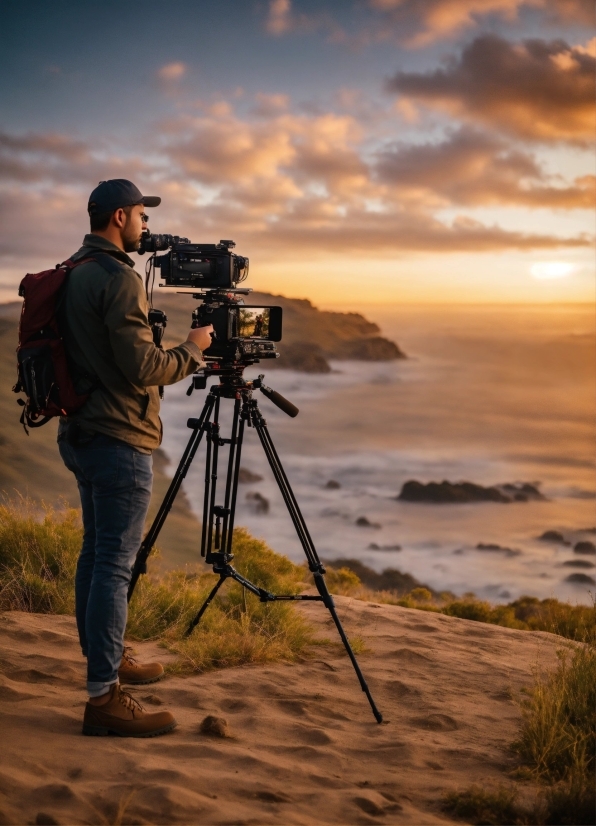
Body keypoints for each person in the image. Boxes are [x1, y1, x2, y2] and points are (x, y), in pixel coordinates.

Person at [57, 179, 213, 737]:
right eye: (142, 217)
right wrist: (195, 349)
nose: (146, 227)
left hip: (82, 432)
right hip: (118, 438)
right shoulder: (117, 278)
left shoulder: (76, 267)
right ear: (120, 216)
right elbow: (144, 368)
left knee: (96, 556)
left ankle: (108, 658)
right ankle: (103, 696)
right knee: (111, 564)